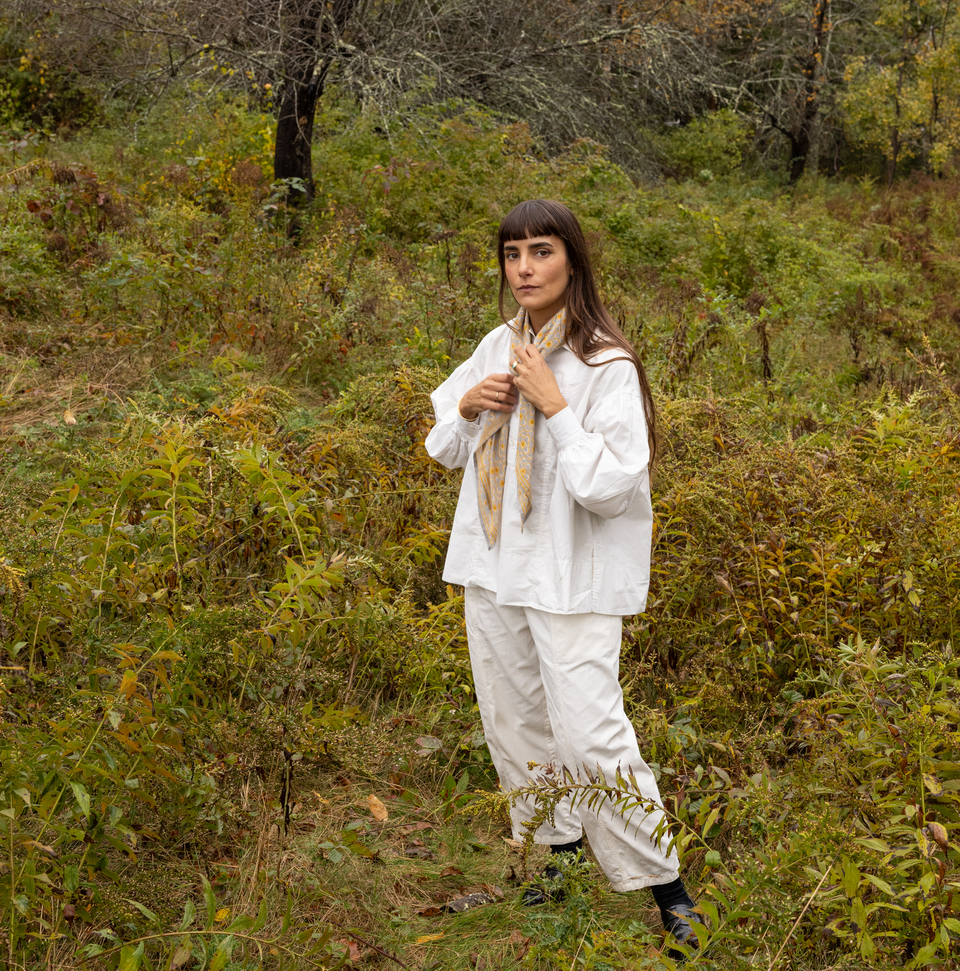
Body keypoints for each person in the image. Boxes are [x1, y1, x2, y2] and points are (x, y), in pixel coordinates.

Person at [424, 199, 701, 952]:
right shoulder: (497, 345)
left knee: (591, 733)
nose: (524, 269)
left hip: (572, 577)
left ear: (572, 260)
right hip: (495, 566)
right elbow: (440, 444)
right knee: (515, 724)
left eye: (540, 252)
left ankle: (671, 894)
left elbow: (611, 486)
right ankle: (560, 860)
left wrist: (556, 407)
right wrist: (470, 408)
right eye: (512, 254)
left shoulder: (605, 363)